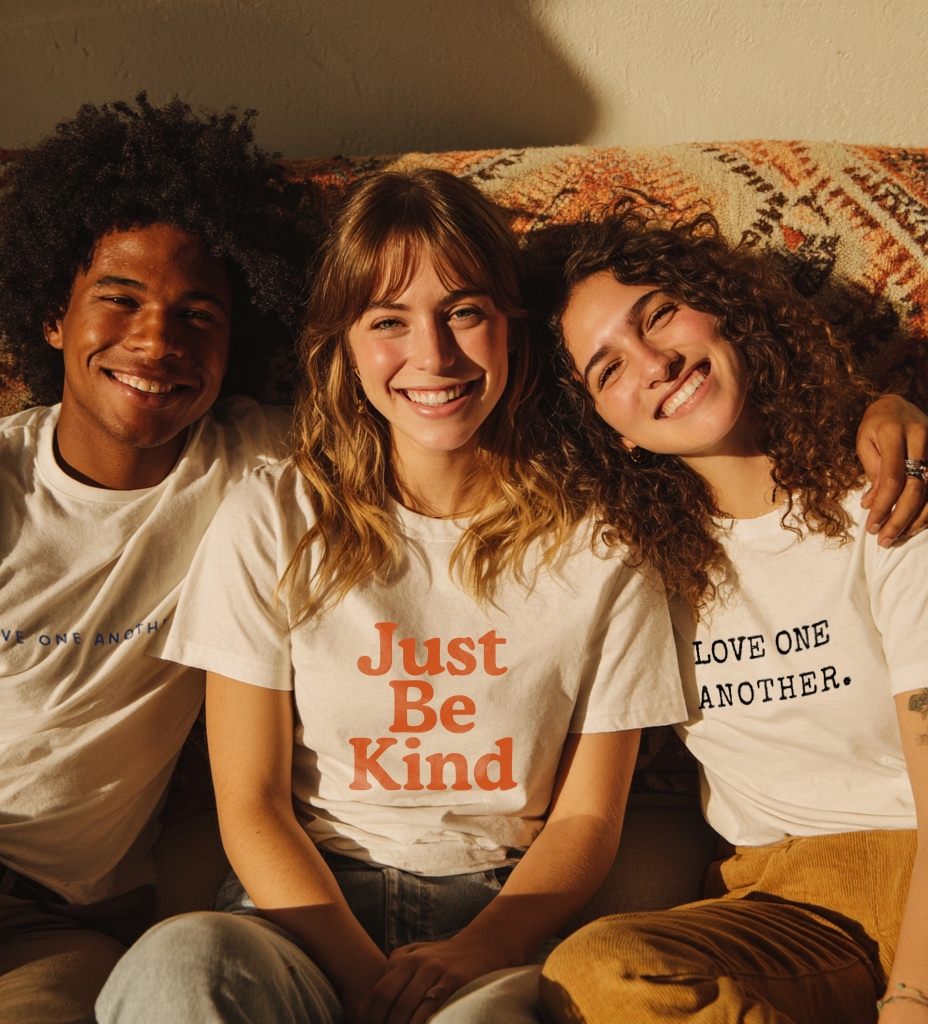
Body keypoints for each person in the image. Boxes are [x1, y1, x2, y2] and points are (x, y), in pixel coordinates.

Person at [93, 167, 694, 1024]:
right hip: (298, 912)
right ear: (343, 342)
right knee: (179, 962)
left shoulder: (603, 540)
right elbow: (251, 802)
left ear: (511, 328)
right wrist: (361, 978)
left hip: (496, 919)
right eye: (388, 321)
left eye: (464, 312)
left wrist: (481, 947)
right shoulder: (273, 516)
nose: (434, 356)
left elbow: (588, 818)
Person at [0, 95, 307, 1023]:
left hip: (45, 933)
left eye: (198, 314)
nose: (157, 342)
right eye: (118, 299)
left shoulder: (262, 470)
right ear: (52, 314)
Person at [537, 210, 928, 1024]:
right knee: (593, 972)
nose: (655, 364)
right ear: (613, 432)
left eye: (660, 316)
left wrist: (913, 996)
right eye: (609, 370)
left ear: (726, 312)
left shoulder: (890, 495)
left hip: (916, 861)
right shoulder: (636, 560)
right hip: (787, 910)